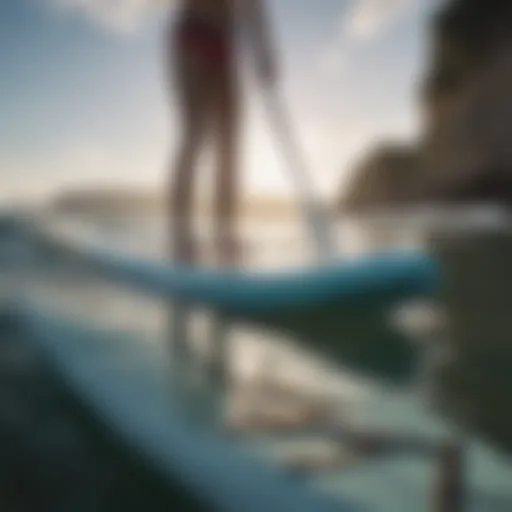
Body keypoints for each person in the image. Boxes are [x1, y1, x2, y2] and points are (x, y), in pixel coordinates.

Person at [167, 0, 277, 266]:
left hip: (224, 46)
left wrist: (263, 51)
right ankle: (181, 233)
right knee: (195, 131)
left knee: (230, 143)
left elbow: (253, 8)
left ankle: (225, 231)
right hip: (192, 34)